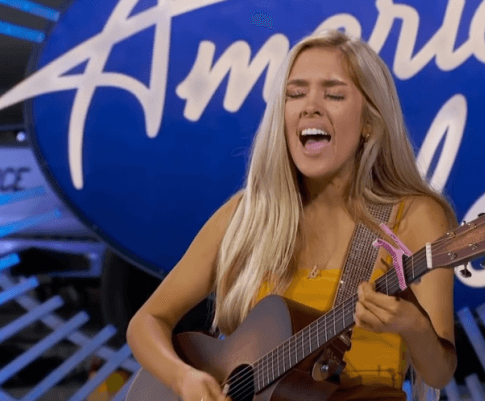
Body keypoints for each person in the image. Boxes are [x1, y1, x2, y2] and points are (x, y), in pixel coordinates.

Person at [126, 29, 457, 401]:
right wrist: (183, 378)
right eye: (295, 94)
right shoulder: (245, 217)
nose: (310, 107)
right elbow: (146, 321)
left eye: (333, 95)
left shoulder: (413, 216)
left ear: (369, 122)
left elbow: (440, 372)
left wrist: (414, 327)